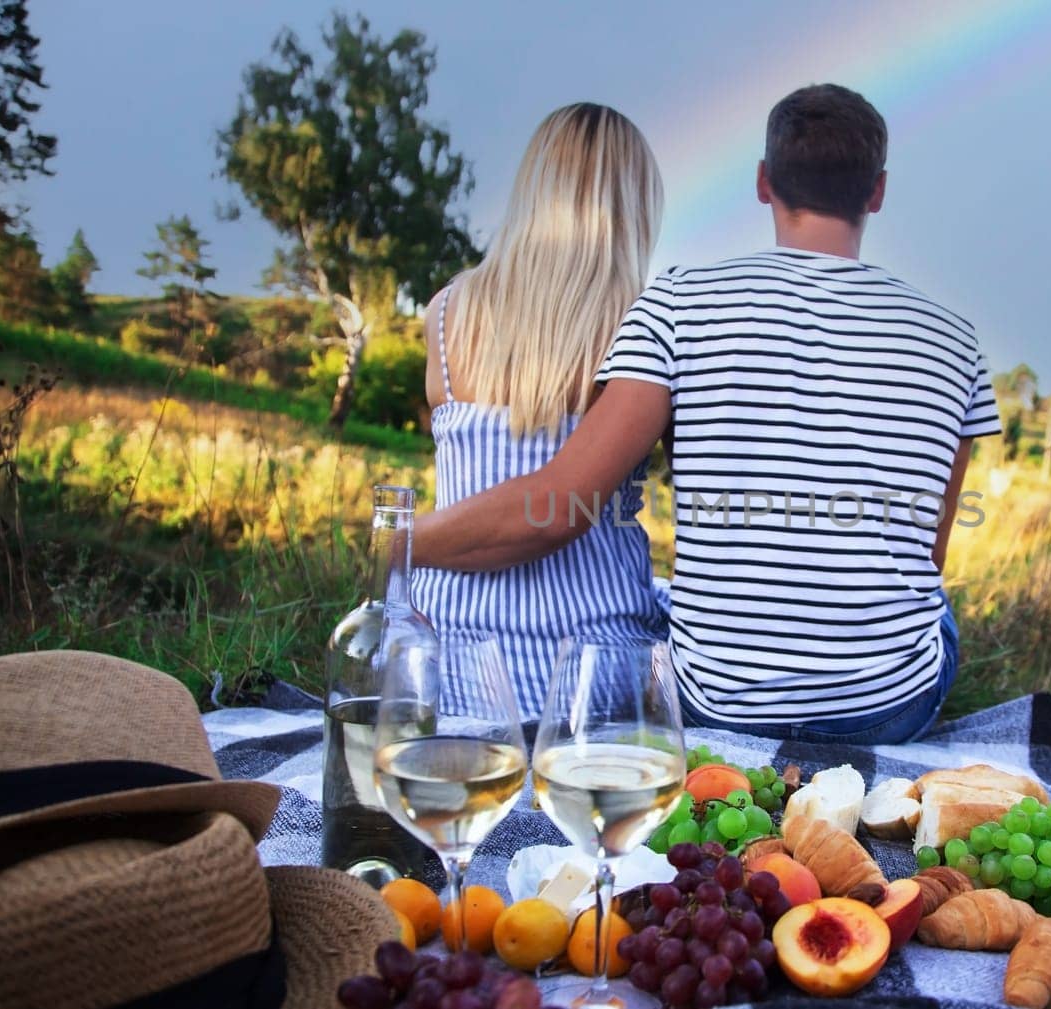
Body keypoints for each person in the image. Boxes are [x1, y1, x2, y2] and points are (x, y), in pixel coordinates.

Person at [415, 85, 1003, 743]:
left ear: (762, 182)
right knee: (927, 604)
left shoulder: (674, 304)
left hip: (714, 699)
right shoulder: (957, 339)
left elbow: (560, 499)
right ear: (877, 191)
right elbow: (928, 552)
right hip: (885, 706)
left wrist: (401, 539)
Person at [409, 103, 667, 720]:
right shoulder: (648, 322)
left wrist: (396, 545)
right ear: (634, 206)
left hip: (453, 667)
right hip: (587, 681)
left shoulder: (446, 313)